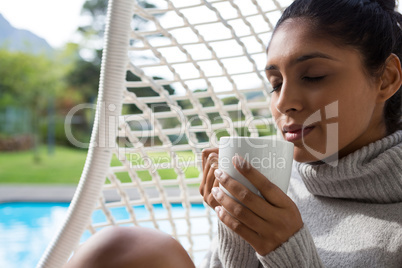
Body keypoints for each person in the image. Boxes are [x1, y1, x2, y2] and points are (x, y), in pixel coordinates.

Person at [64, 0, 402, 267]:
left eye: (313, 76)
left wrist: (285, 249)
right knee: (124, 249)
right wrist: (235, 226)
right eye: (275, 83)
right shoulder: (279, 185)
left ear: (386, 78)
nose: (284, 102)